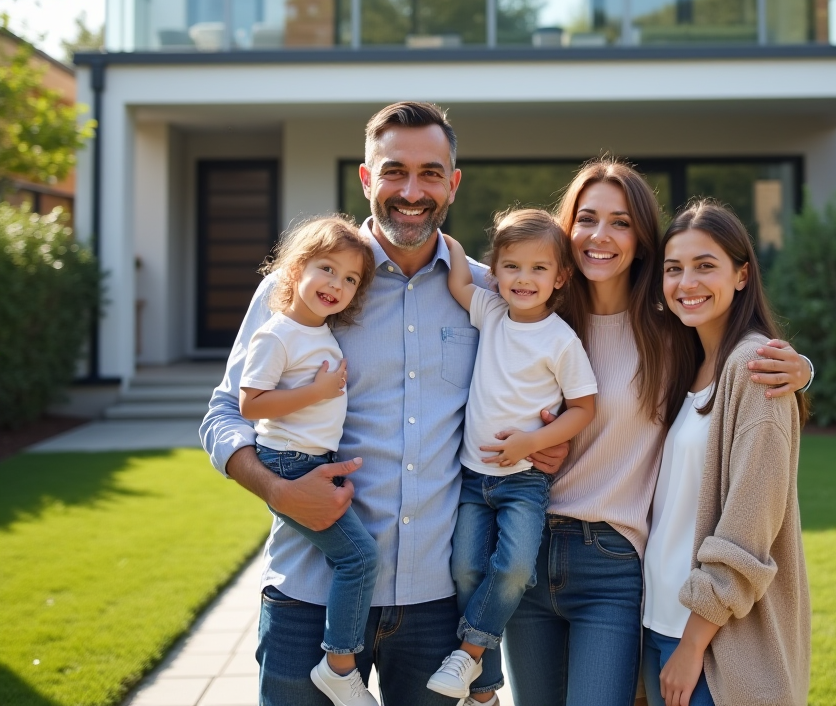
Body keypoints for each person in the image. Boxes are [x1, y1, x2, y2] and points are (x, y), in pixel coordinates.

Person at [201, 102, 569, 706]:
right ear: (367, 179)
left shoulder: (491, 296)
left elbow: (540, 387)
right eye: (394, 171)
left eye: (430, 173)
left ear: (452, 184)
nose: (411, 191)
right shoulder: (300, 287)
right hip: (309, 594)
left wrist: (549, 439)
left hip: (434, 605)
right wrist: (277, 490)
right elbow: (224, 414)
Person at [503, 159, 813, 706]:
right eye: (588, 218)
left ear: (641, 238)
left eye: (621, 222)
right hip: (525, 547)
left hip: (612, 559)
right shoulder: (532, 310)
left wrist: (802, 369)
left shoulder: (668, 330)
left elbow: (735, 359)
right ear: (566, 228)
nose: (601, 236)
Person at [642, 200, 810, 706]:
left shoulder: (755, 369)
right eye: (674, 269)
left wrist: (693, 644)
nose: (686, 282)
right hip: (657, 624)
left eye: (705, 265)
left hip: (715, 643)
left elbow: (749, 525)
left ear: (741, 275)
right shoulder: (684, 363)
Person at [428, 212, 598, 702]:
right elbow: (459, 280)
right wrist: (443, 239)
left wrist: (532, 443)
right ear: (496, 271)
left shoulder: (561, 340)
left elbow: (584, 407)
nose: (524, 279)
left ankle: (470, 653)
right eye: (512, 267)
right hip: (471, 479)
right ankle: (482, 687)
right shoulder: (490, 311)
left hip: (524, 479)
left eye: (539, 269)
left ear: (560, 277)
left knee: (515, 569)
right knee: (464, 569)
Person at [238, 215, 379, 706]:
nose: (336, 284)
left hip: (310, 458)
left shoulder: (318, 331)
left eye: (350, 279)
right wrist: (313, 391)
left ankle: (340, 661)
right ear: (295, 269)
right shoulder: (277, 334)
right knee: (359, 558)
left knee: (355, 555)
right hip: (287, 463)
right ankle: (339, 665)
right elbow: (250, 404)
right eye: (326, 269)